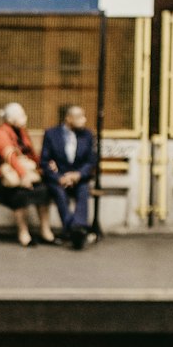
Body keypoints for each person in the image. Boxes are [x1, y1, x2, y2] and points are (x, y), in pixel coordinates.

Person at [0, 101, 55, 247]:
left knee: (44, 190)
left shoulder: (22, 132)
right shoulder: (1, 134)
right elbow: (10, 157)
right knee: (19, 194)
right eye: (21, 115)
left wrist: (43, 166)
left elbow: (31, 155)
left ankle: (45, 231)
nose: (25, 117)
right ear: (10, 119)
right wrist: (24, 176)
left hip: (20, 174)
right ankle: (23, 232)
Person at [41, 104, 98, 249]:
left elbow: (91, 161)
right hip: (59, 178)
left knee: (83, 190)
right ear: (68, 118)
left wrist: (77, 175)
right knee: (58, 192)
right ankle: (77, 230)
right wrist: (59, 177)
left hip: (79, 178)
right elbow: (45, 160)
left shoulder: (88, 135)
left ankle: (75, 227)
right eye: (80, 117)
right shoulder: (51, 134)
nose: (84, 120)